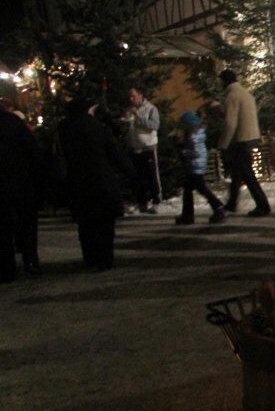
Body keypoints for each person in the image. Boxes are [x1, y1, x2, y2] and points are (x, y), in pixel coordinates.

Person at [60, 96, 135, 270]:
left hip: (77, 182)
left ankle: (90, 258)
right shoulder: (97, 128)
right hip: (101, 181)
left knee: (86, 224)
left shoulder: (64, 129)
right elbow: (115, 152)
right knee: (105, 223)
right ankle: (105, 259)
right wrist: (131, 173)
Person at [217, 69, 271, 216]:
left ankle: (263, 205)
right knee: (238, 172)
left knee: (246, 174)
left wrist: (223, 143)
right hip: (251, 136)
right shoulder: (245, 93)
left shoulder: (231, 96)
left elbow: (230, 123)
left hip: (241, 139)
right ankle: (232, 203)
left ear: (224, 81)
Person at [0, 103, 44, 281]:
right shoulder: (13, 122)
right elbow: (33, 150)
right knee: (26, 224)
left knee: (3, 227)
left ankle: (6, 268)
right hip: (20, 181)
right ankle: (30, 261)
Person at [175, 111, 226, 225]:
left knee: (200, 188)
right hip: (195, 165)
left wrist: (183, 152)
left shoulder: (194, 136)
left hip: (195, 166)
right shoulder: (196, 134)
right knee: (189, 189)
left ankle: (217, 206)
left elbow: (195, 152)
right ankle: (188, 215)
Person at [124, 86, 161, 214]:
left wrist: (138, 115)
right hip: (135, 148)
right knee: (138, 177)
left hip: (148, 148)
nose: (131, 99)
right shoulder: (130, 110)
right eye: (129, 96)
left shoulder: (151, 109)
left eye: (133, 96)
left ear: (141, 95)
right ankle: (142, 202)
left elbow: (154, 126)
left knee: (151, 176)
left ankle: (156, 201)